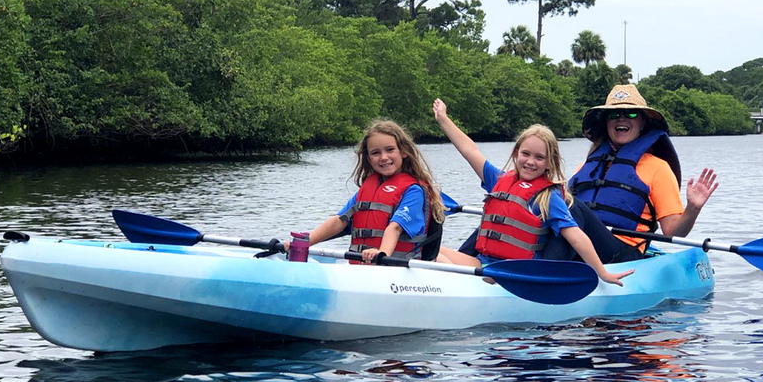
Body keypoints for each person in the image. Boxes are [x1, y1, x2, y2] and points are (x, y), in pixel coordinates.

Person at [433, 98, 632, 286]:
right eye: (526, 154)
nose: (530, 161)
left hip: (513, 272)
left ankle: (452, 288)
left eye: (539, 157)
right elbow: (470, 151)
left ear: (548, 163)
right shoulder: (498, 180)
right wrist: (443, 119)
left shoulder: (548, 197)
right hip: (483, 263)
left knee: (442, 266)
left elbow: (576, 237)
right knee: (431, 253)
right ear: (516, 154)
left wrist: (601, 272)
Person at [567, 83, 718, 261]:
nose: (621, 119)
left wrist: (692, 209)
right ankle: (543, 272)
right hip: (580, 246)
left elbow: (673, 231)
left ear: (642, 122)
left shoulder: (658, 169)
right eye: (614, 114)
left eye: (631, 114)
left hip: (623, 253)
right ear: (606, 123)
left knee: (574, 208)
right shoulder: (586, 166)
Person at [287, 119, 445, 263]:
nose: (383, 157)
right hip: (364, 267)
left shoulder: (414, 191)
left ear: (403, 152)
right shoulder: (368, 189)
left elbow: (395, 228)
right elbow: (339, 221)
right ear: (369, 159)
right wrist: (305, 241)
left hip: (396, 269)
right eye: (376, 153)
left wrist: (381, 254)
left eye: (390, 150)